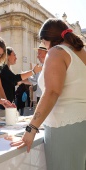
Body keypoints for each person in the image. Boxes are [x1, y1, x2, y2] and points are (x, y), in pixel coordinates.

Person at [10, 18, 86, 170]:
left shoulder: (57, 52)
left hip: (65, 126)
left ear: (47, 39)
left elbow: (52, 92)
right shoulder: (81, 53)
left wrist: (31, 128)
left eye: (43, 43)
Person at [0, 46, 42, 120]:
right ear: (7, 56)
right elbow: (14, 79)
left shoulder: (7, 69)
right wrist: (33, 72)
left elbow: (14, 82)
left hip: (5, 106)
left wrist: (30, 81)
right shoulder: (2, 67)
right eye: (14, 55)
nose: (16, 58)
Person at [28, 42, 47, 110]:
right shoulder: (40, 67)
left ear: (46, 54)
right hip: (40, 99)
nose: (37, 56)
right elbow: (33, 80)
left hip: (48, 100)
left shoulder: (51, 67)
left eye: (39, 53)